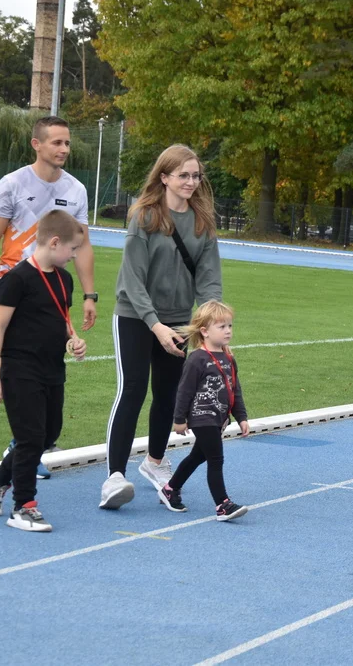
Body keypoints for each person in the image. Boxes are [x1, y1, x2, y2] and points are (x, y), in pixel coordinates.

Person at [0, 116, 96, 480]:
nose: (64, 149)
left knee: (42, 362)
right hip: (14, 282)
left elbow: (82, 246)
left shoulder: (77, 190)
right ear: (36, 144)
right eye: (57, 142)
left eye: (67, 143)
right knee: (14, 362)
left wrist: (89, 293)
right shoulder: (12, 184)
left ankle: (25, 445)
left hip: (52, 287)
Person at [100, 145, 223, 510]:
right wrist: (155, 325)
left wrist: (210, 322)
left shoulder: (203, 221)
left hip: (180, 320)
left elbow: (210, 279)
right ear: (164, 176)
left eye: (195, 175)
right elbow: (133, 280)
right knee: (133, 390)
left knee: (169, 395)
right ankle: (114, 477)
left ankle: (155, 463)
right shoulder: (145, 216)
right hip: (135, 316)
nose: (190, 181)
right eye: (183, 175)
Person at [0, 210, 87, 532]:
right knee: (29, 438)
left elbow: (61, 319)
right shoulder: (17, 279)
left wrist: (74, 339)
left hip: (52, 368)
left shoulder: (64, 279)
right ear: (55, 242)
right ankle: (23, 507)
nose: (74, 255)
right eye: (72, 249)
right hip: (19, 369)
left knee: (48, 434)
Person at [161, 300, 250, 521]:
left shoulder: (229, 358)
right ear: (205, 331)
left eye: (229, 325)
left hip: (220, 418)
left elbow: (234, 390)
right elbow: (184, 391)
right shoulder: (197, 359)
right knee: (216, 459)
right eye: (221, 327)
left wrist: (241, 417)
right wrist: (179, 419)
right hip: (202, 418)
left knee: (196, 457)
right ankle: (222, 504)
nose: (228, 330)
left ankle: (170, 489)